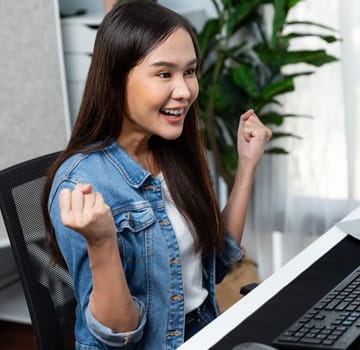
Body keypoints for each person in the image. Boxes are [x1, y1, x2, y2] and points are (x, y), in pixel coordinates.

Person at [41, 1, 272, 349]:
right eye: (164, 74)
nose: (183, 91)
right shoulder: (83, 185)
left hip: (205, 330)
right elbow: (117, 337)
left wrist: (247, 166)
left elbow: (218, 260)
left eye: (189, 71)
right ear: (116, 79)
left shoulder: (173, 150)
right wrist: (101, 242)